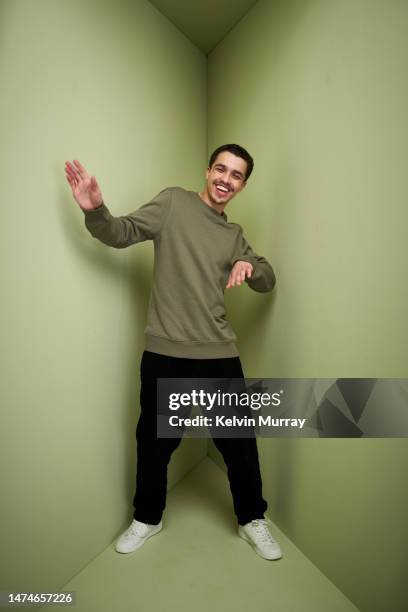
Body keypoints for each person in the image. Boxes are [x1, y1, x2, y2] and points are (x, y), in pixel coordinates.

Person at [65, 144, 282, 561]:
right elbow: (120, 232)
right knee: (154, 443)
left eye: (236, 175)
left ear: (243, 184)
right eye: (221, 169)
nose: (226, 179)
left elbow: (268, 279)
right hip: (166, 351)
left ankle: (251, 518)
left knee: (238, 443)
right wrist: (95, 210)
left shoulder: (234, 235)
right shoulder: (173, 203)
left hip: (218, 353)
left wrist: (250, 268)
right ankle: (148, 518)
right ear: (208, 170)